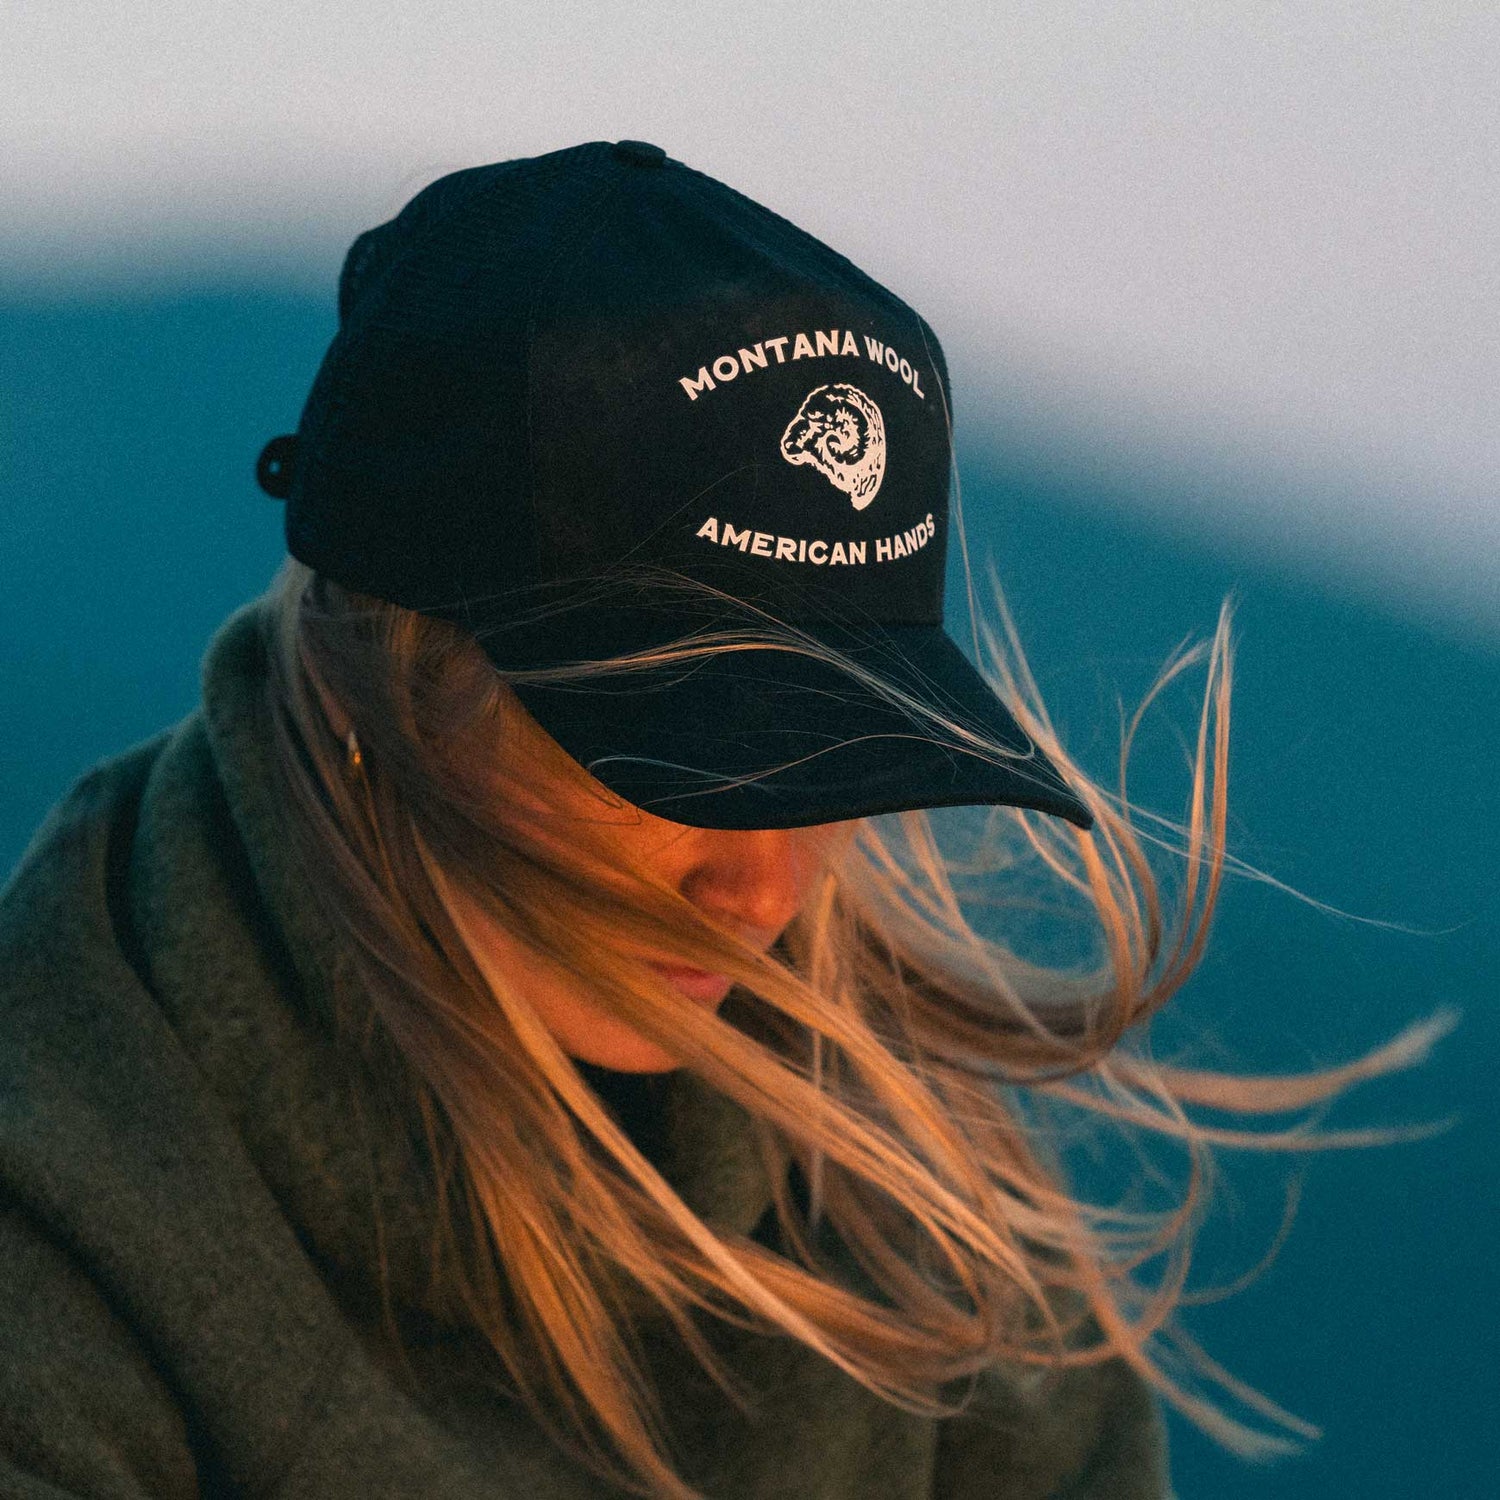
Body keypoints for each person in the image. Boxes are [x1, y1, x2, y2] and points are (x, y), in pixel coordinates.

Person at [0, 139, 1443, 1500]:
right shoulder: (61, 1218)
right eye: (691, 760)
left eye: (833, 769)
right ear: (389, 678)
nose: (765, 884)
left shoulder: (918, 1207)